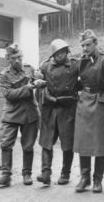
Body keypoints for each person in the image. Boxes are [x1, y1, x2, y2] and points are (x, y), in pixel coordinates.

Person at [73, 30, 104, 193]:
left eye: (88, 45)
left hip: (101, 104)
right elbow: (76, 82)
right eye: (83, 46)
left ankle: (97, 179)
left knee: (101, 143)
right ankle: (84, 178)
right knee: (83, 143)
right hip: (84, 104)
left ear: (95, 43)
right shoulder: (80, 62)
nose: (85, 48)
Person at [0, 43, 45, 187]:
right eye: (13, 58)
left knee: (28, 146)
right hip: (12, 113)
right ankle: (5, 175)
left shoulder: (29, 69)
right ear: (8, 59)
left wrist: (39, 81)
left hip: (29, 112)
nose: (17, 61)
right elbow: (9, 94)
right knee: (6, 143)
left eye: (19, 57)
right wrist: (28, 87)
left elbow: (38, 79)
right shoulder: (3, 75)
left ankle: (27, 173)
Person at [36, 39, 79, 186]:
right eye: (58, 53)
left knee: (67, 144)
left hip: (67, 108)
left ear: (68, 52)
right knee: (46, 142)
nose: (61, 55)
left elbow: (85, 79)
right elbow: (36, 76)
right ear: (53, 54)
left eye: (63, 52)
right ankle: (45, 173)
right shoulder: (46, 66)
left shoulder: (74, 65)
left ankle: (65, 174)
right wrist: (39, 83)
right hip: (50, 108)